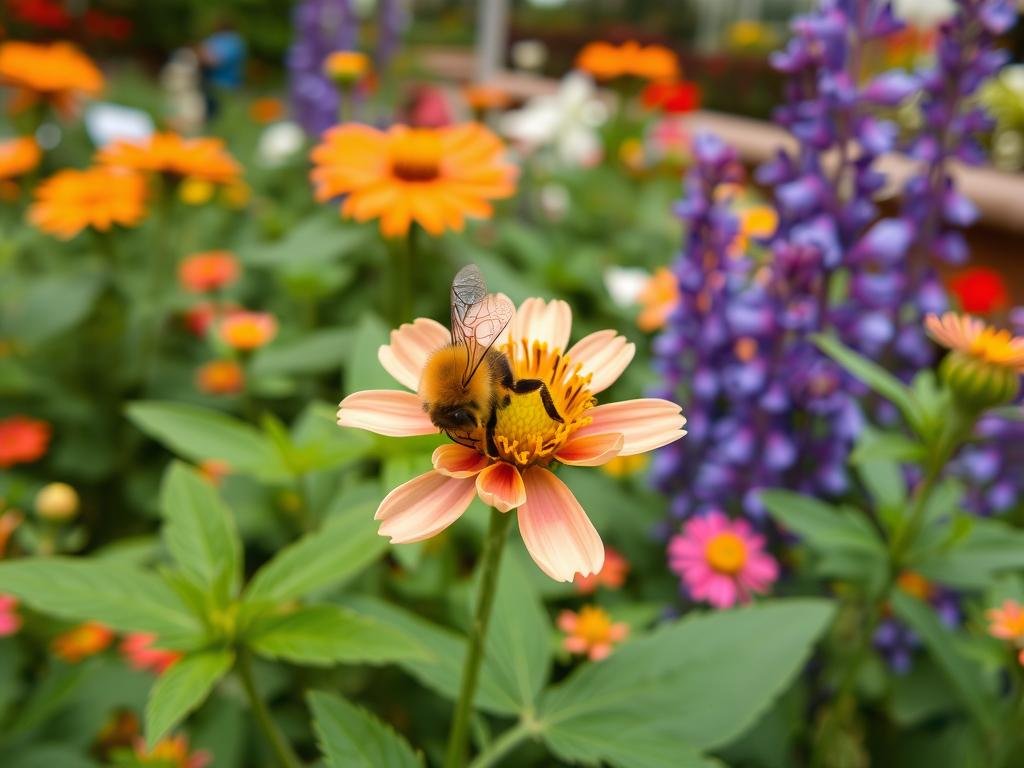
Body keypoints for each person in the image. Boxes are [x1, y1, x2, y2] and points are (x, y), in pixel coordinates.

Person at [197, 18, 246, 121]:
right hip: (209, 86)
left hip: (225, 86)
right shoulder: (213, 39)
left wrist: (203, 56)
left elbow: (214, 61)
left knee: (223, 119)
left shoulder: (232, 42)